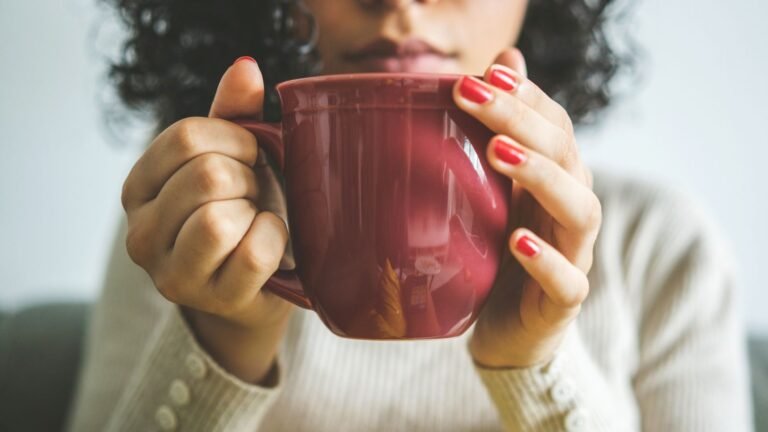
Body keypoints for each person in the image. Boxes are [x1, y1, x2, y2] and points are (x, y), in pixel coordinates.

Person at [65, 0, 754, 430]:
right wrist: (221, 341)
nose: (401, 2)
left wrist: (535, 365)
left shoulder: (665, 248)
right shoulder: (194, 232)